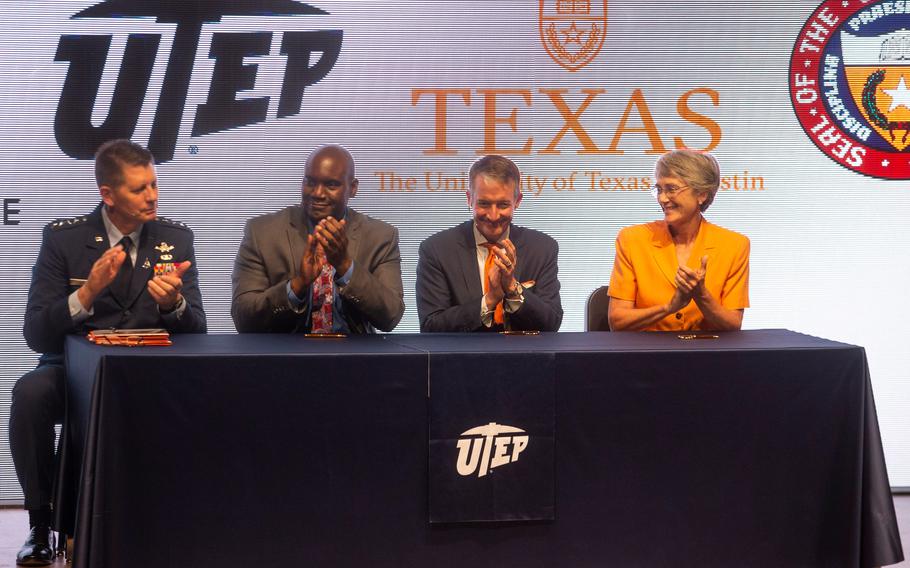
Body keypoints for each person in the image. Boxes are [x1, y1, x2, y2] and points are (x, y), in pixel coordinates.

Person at [12, 139, 206, 565]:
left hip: (148, 375)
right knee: (29, 395)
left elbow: (198, 330)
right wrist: (86, 293)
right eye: (140, 189)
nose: (153, 195)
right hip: (74, 371)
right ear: (108, 194)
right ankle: (41, 526)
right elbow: (35, 333)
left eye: (154, 184)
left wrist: (173, 305)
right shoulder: (64, 240)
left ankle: (183, 520)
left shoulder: (176, 239)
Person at [231, 144, 404, 334]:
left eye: (331, 185)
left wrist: (345, 266)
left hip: (354, 356)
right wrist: (297, 285)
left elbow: (391, 316)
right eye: (310, 182)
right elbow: (243, 318)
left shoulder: (380, 237)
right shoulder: (262, 233)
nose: (317, 193)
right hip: (284, 356)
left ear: (353, 188)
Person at [416, 154, 562, 332]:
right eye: (484, 204)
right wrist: (489, 300)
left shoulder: (542, 248)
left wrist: (512, 289)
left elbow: (551, 324)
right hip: (462, 358)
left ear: (517, 201)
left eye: (502, 205)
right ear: (469, 199)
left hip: (525, 357)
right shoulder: (437, 250)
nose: (493, 216)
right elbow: (431, 326)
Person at [607, 149, 749, 331]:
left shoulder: (734, 245)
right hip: (646, 354)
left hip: (708, 355)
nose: (662, 198)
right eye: (659, 189)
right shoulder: (633, 239)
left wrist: (701, 296)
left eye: (671, 189)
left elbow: (733, 324)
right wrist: (669, 308)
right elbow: (617, 321)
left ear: (702, 194)